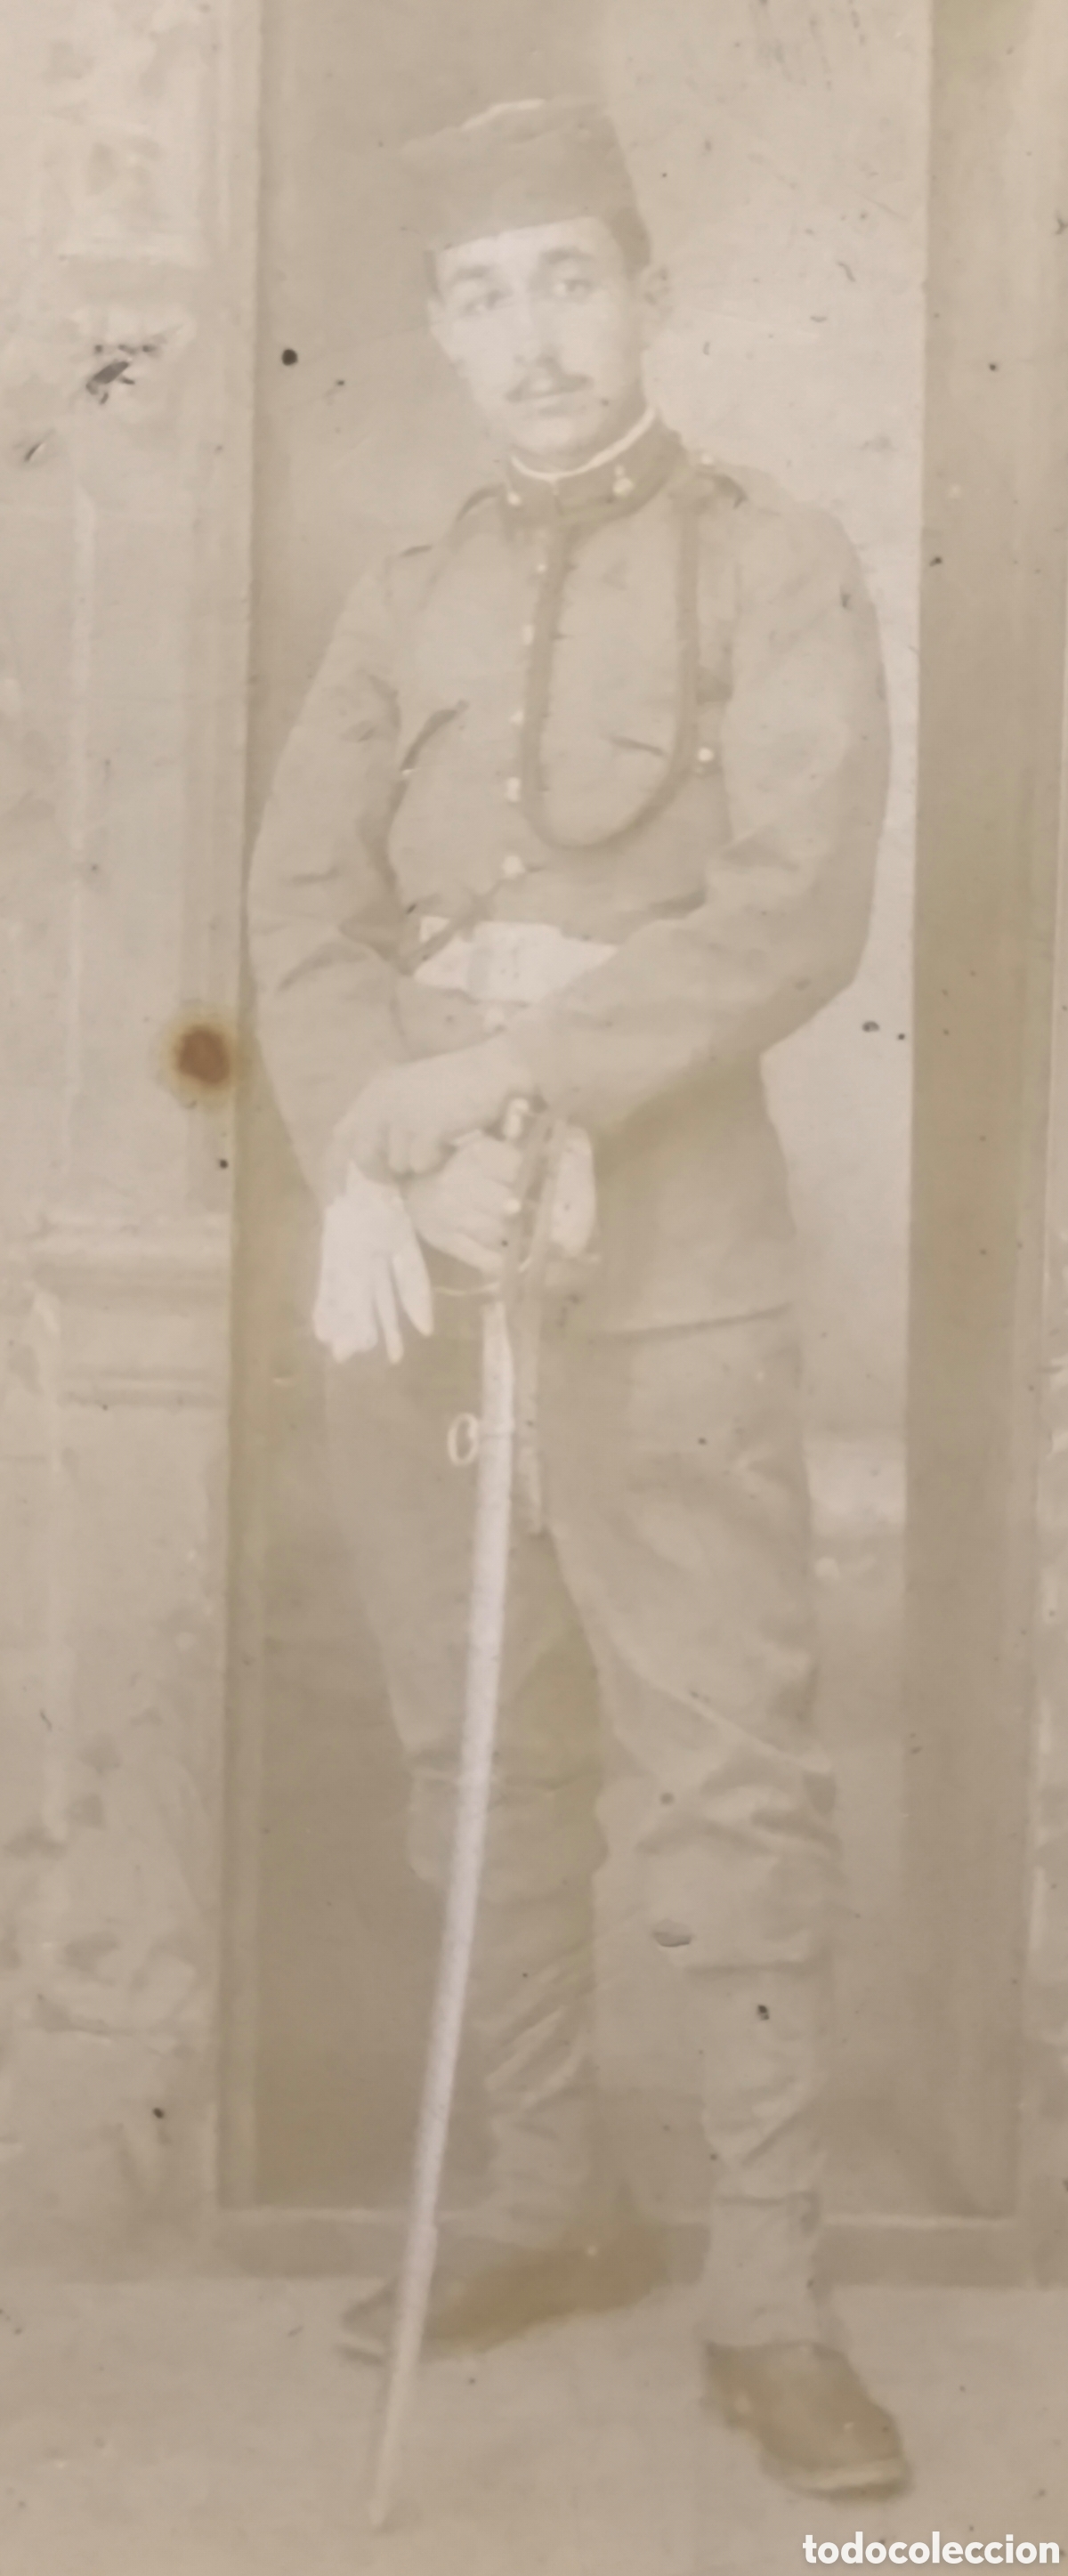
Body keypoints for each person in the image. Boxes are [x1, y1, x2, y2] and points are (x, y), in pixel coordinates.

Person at [248, 94, 908, 2499]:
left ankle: (773, 2297)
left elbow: (791, 906)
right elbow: (300, 915)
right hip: (423, 1272)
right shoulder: (399, 593)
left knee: (730, 1777)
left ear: (646, 292)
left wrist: (517, 1072)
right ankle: (545, 2206)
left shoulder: (780, 563)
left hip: (676, 1275)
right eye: (480, 294)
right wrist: (369, 1140)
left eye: (569, 282)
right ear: (433, 328)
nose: (530, 339)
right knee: (479, 1753)